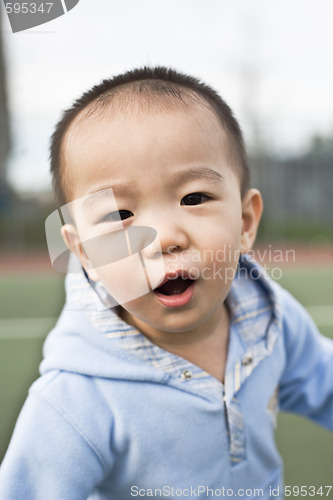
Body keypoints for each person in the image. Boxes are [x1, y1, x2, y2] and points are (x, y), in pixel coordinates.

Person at [0, 67, 332, 500]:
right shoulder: (75, 402)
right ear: (84, 253)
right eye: (119, 216)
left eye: (194, 198)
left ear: (247, 222)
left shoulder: (270, 318)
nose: (164, 238)